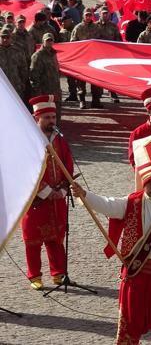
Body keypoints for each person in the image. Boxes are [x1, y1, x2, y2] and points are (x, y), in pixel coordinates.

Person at [70, 133, 151, 344]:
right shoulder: (131, 203)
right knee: (131, 326)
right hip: (137, 275)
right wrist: (84, 194)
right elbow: (107, 204)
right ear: (144, 182)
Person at [23, 96, 72, 290]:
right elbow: (26, 170)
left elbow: (68, 165)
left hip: (57, 198)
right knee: (33, 240)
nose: (52, 121)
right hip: (36, 200)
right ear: (37, 118)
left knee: (56, 238)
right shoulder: (30, 140)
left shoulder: (60, 139)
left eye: (53, 117)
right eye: (47, 117)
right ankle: (34, 275)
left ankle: (59, 273)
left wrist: (64, 189)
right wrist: (46, 191)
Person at [29, 33, 62, 121]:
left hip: (55, 90)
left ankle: (56, 129)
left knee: (56, 114)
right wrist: (38, 93)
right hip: (44, 92)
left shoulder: (53, 54)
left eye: (51, 40)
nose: (49, 42)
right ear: (43, 41)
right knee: (45, 117)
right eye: (47, 40)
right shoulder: (37, 56)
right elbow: (33, 76)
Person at [0, 27, 27, 99]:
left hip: (16, 87)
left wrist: (22, 83)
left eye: (7, 37)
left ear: (11, 38)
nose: (5, 39)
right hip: (2, 88)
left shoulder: (17, 51)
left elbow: (23, 69)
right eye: (3, 37)